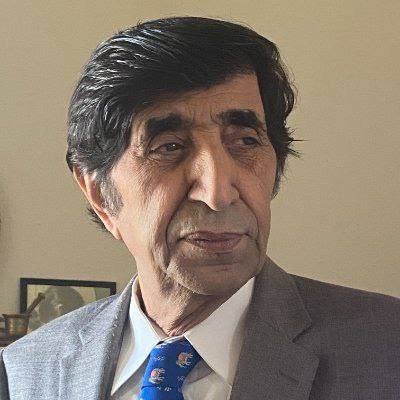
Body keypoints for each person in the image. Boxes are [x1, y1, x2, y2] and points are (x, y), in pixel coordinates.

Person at [1, 16, 399, 400]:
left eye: (245, 141)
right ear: (99, 195)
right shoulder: (26, 369)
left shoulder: (386, 350)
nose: (217, 193)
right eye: (169, 147)